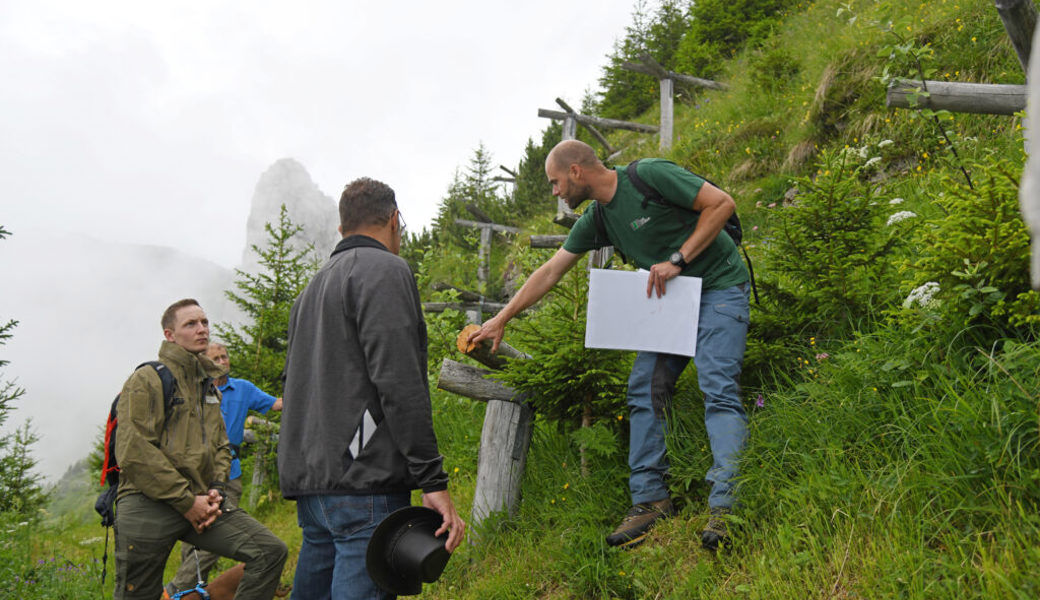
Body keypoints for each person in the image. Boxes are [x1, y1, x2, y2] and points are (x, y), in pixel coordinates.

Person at [468, 140, 750, 551]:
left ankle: (728, 502)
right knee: (644, 388)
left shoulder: (649, 176)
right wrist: (501, 318)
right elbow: (550, 271)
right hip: (671, 301)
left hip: (720, 286)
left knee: (717, 386)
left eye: (555, 182)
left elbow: (722, 204)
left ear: (576, 171)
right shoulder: (597, 219)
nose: (555, 192)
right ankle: (651, 501)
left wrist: (678, 259)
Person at [278, 177, 465, 599]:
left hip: (312, 487)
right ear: (394, 219)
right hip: (365, 485)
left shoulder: (309, 291)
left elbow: (293, 387)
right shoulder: (385, 270)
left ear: (342, 227)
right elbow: (399, 382)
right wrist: (432, 480)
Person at [113, 298, 287, 600]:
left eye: (204, 322)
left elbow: (221, 445)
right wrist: (185, 501)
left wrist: (216, 488)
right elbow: (134, 451)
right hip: (148, 502)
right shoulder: (148, 379)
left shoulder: (206, 384)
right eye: (191, 324)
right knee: (137, 594)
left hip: (203, 500)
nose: (202, 329)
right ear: (170, 334)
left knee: (269, 552)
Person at [167, 342, 284, 596]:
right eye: (216, 358)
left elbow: (276, 404)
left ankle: (176, 590)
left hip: (230, 475)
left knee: (221, 533)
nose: (222, 361)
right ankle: (192, 592)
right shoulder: (194, 390)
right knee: (193, 538)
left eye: (225, 356)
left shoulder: (243, 388)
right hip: (196, 476)